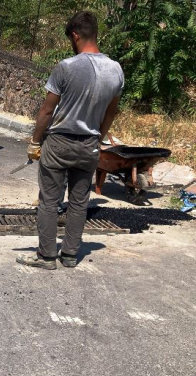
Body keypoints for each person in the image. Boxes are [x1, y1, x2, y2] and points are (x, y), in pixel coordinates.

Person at [17, 11, 124, 270]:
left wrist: (35, 142)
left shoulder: (66, 66)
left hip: (60, 143)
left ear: (75, 36)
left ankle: (46, 256)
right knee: (79, 202)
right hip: (89, 144)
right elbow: (111, 112)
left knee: (49, 201)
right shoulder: (116, 70)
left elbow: (47, 111)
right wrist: (98, 138)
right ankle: (69, 255)